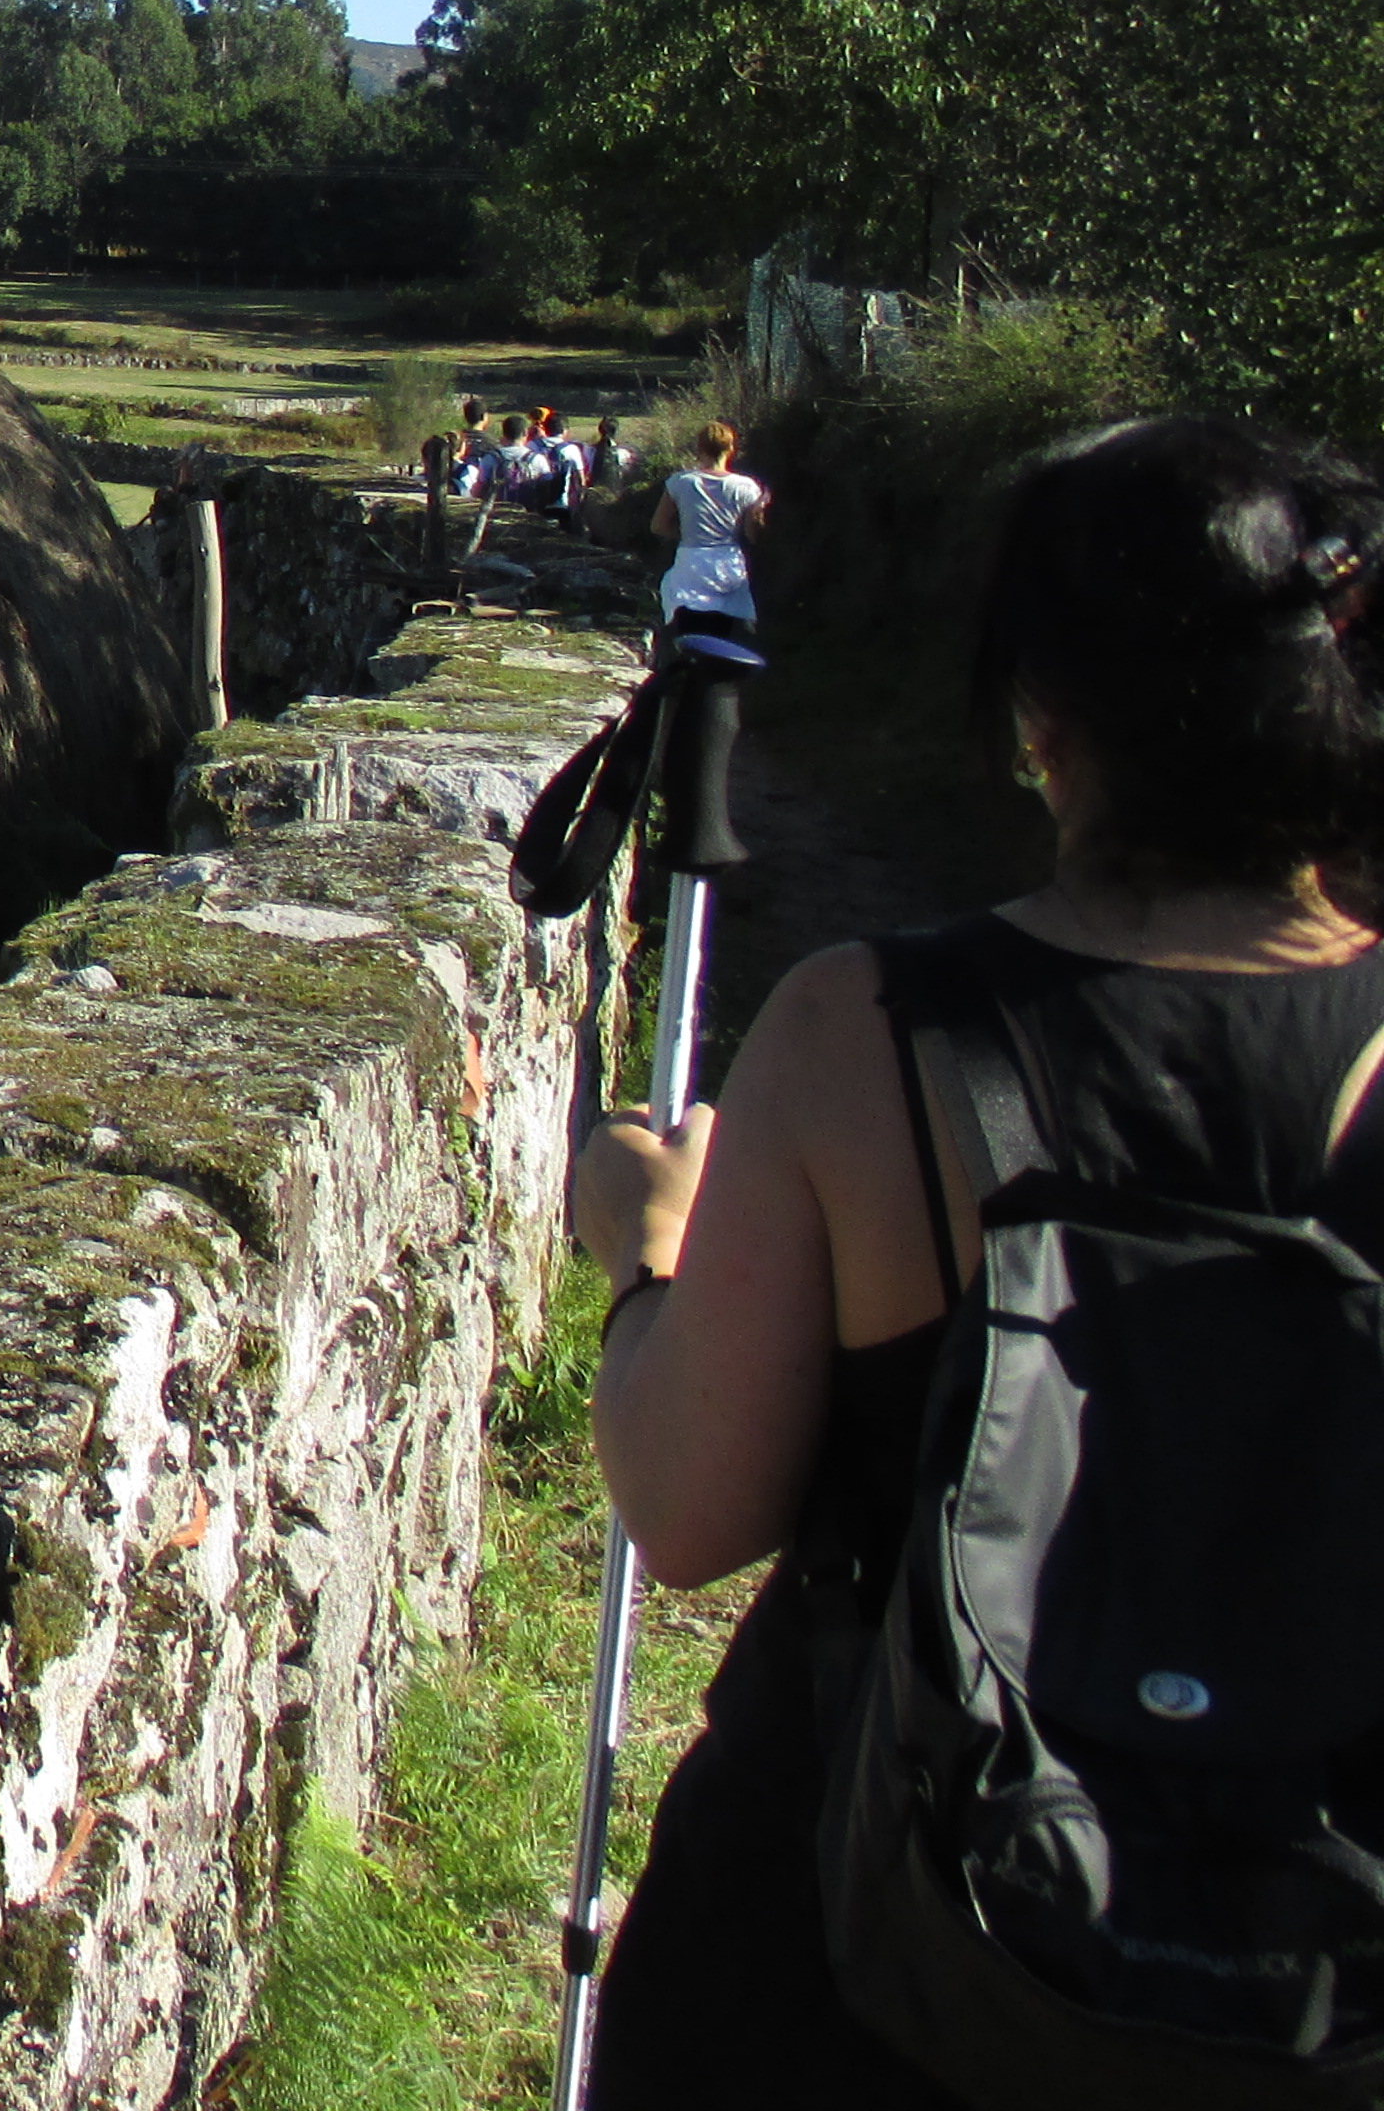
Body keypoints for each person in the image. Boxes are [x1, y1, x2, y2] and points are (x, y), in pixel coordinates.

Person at [569, 416, 1384, 2107]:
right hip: (1318, 1964)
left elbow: (688, 1506)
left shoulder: (862, 1037)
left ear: (1037, 719)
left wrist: (645, 1261)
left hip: (869, 1939)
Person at [654, 419, 767, 621]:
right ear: (731, 448)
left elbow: (658, 526)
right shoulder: (747, 486)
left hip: (691, 563)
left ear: (699, 448)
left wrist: (687, 533)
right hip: (728, 561)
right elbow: (752, 535)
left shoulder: (680, 481)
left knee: (677, 609)